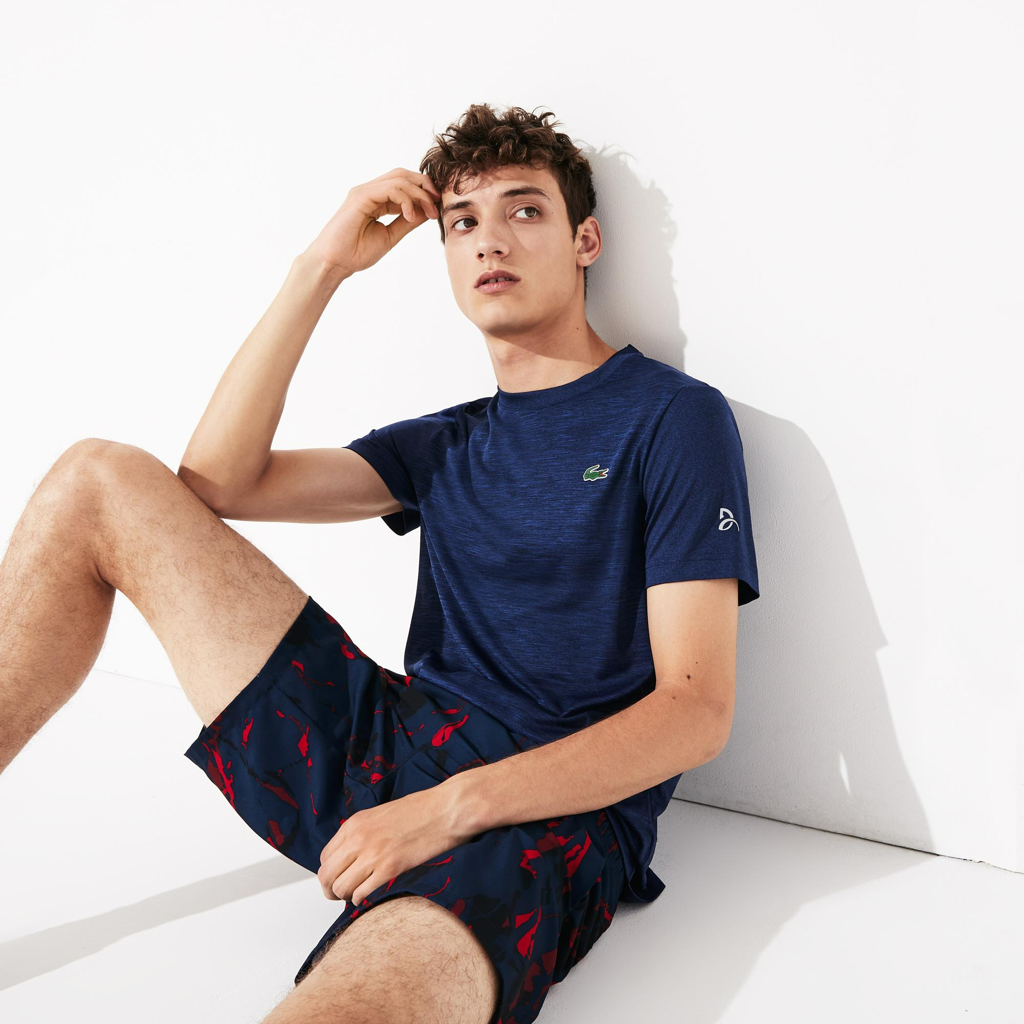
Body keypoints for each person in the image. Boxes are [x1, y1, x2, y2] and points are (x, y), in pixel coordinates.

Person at [0, 103, 759, 1024]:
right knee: (96, 479)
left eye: (525, 211)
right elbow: (218, 480)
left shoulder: (672, 418)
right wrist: (321, 267)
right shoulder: (447, 442)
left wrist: (446, 812)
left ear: (585, 240)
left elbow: (695, 713)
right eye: (462, 223)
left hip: (541, 814)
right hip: (393, 744)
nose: (491, 241)